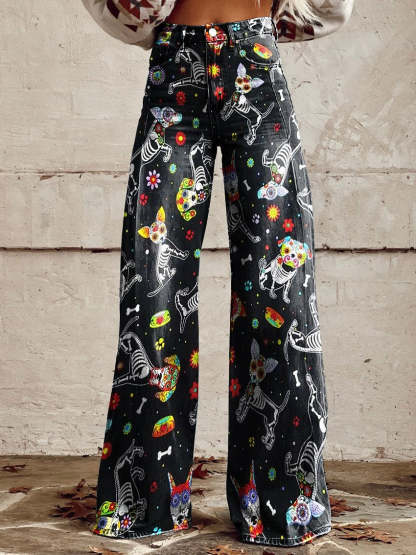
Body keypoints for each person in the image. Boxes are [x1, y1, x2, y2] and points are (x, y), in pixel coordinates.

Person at [81, 0, 354, 547]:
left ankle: (283, 507)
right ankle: (145, 505)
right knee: (152, 295)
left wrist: (265, 23)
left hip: (256, 67)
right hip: (173, 74)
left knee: (278, 298)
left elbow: (333, 7)